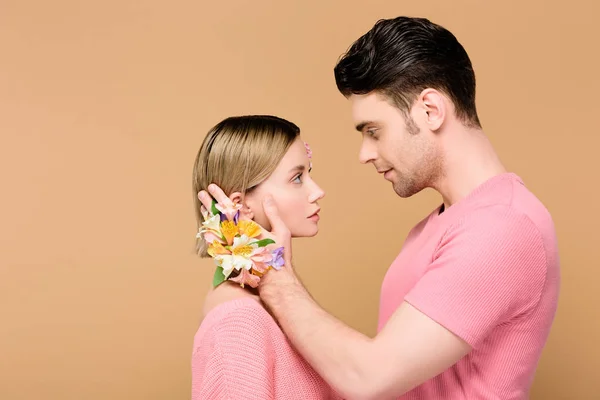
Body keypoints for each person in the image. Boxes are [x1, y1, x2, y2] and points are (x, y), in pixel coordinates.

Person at [198, 16, 560, 399]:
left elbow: (369, 378)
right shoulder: (438, 227)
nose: (365, 154)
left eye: (374, 131)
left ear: (431, 110)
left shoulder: (502, 227)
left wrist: (265, 269)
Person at [189, 115, 342, 399]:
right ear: (239, 205)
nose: (317, 191)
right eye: (297, 178)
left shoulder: (271, 299)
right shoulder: (238, 320)